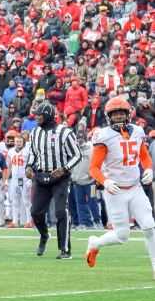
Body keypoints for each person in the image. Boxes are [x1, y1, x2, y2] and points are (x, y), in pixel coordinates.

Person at [85, 96, 155, 279]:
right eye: (114, 115)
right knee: (122, 236)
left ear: (128, 114)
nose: (118, 118)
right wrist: (106, 181)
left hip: (135, 187)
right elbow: (93, 167)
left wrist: (149, 169)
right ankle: (95, 243)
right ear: (109, 116)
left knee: (149, 227)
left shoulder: (138, 131)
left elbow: (144, 155)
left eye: (120, 114)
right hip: (115, 191)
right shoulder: (104, 135)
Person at [27, 101, 81, 259]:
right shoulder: (35, 132)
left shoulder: (65, 132)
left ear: (49, 115)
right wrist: (29, 166)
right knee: (35, 212)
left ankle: (65, 249)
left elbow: (77, 155)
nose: (37, 118)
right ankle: (44, 235)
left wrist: (64, 169)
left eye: (40, 116)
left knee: (60, 211)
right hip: (41, 176)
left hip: (60, 178)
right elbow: (32, 152)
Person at [4, 134, 31, 228]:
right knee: (14, 200)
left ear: (23, 142)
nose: (18, 143)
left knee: (26, 200)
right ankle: (15, 221)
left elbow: (31, 165)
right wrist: (6, 180)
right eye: (16, 141)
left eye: (20, 141)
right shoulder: (10, 151)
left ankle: (29, 221)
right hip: (15, 179)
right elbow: (9, 166)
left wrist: (30, 179)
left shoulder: (27, 151)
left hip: (24, 178)